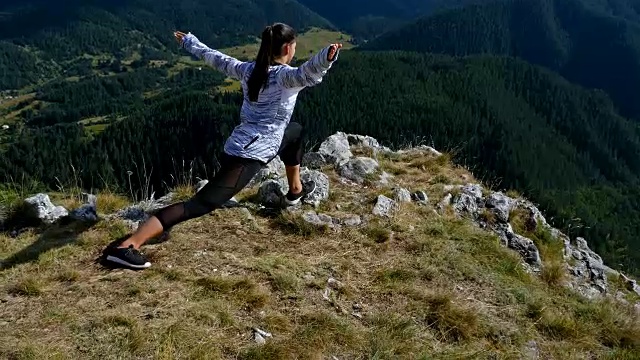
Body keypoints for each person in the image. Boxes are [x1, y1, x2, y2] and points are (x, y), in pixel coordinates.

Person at [101, 23, 342, 270]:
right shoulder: (284, 77)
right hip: (246, 157)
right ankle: (127, 247)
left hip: (244, 144)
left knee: (295, 131)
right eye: (294, 45)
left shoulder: (248, 70)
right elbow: (307, 72)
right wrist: (326, 57)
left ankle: (295, 191)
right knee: (197, 205)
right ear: (287, 48)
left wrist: (189, 42)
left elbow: (216, 58)